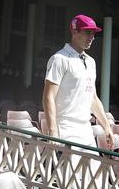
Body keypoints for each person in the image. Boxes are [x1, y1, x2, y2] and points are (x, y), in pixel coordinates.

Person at [42, 14, 113, 147]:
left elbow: (93, 98)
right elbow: (48, 97)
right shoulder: (59, 59)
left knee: (92, 168)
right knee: (68, 169)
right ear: (74, 32)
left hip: (86, 129)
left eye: (93, 33)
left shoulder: (91, 62)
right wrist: (52, 130)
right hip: (65, 128)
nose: (92, 37)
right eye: (87, 32)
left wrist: (107, 126)